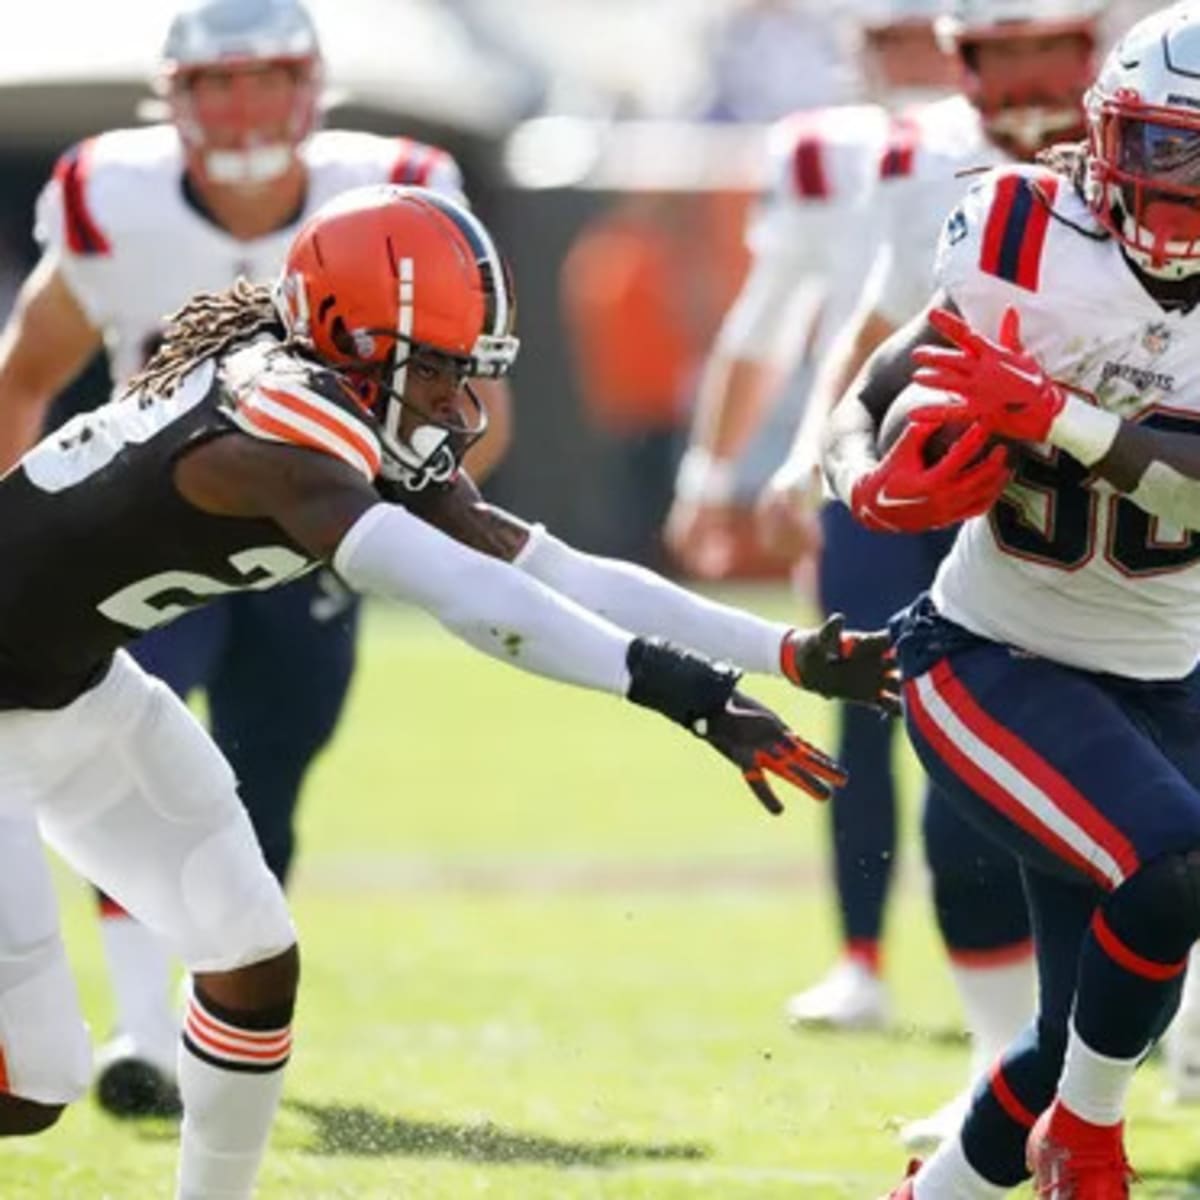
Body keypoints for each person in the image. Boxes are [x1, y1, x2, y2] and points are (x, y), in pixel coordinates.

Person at [0, 181, 898, 1200]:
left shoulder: (331, 396)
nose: (449, 396)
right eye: (430, 366)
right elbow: (470, 599)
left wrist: (785, 653)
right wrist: (691, 695)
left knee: (251, 959)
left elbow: (550, 568)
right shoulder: (278, 443)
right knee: (34, 1087)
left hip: (76, 693)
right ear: (344, 335)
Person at [0, 0, 511, 1117]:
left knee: (265, 779)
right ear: (172, 97)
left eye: (268, 78)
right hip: (159, 520)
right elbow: (28, 368)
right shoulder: (113, 192)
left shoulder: (400, 181)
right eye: (218, 82)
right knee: (128, 765)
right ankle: (143, 1035)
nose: (244, 105)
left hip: (318, 536)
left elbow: (475, 398)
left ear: (313, 88)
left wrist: (402, 512)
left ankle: (204, 1016)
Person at [669, 0, 1099, 1152]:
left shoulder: (1147, 144)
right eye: (1001, 55)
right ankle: (992, 1062)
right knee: (941, 764)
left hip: (1083, 508)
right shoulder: (913, 152)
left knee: (1112, 771)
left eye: (1047, 51)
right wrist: (819, 449)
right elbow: (862, 320)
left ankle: (1136, 1026)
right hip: (918, 484)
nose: (1027, 81)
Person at [815, 3, 1200, 1193]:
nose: (1184, 191)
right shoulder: (1019, 229)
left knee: (1083, 1028)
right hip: (992, 657)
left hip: (1163, 679)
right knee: (1175, 863)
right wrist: (857, 477)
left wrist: (1060, 418)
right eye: (1162, 148)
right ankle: (1085, 1144)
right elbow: (877, 385)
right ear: (1104, 136)